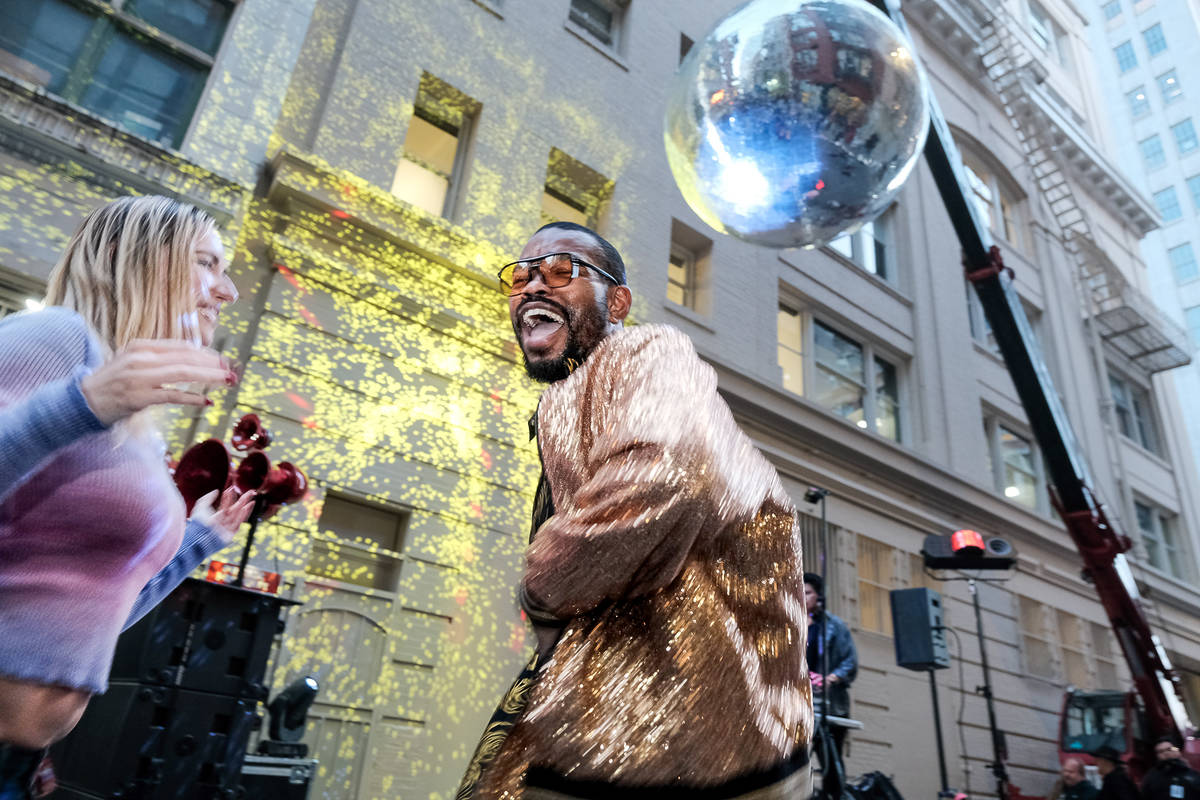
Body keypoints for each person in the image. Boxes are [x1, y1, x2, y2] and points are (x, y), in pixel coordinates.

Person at [458, 222, 811, 799]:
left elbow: (666, 474)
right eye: (521, 276)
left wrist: (540, 588)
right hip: (602, 730)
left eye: (560, 270)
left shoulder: (647, 350)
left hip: (689, 742)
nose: (531, 287)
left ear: (616, 301)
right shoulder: (563, 400)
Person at [0, 196, 256, 798]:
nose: (230, 291)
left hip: (21, 767)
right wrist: (83, 404)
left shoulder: (134, 423)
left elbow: (100, 606)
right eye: (206, 263)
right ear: (127, 257)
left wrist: (199, 542)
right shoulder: (53, 339)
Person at [1140, 735, 1200, 800]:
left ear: (1178, 751)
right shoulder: (1151, 777)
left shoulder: (1192, 775)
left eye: (1169, 749)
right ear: (1157, 756)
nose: (1166, 753)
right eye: (1161, 751)